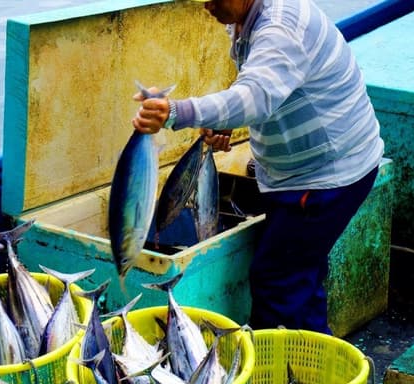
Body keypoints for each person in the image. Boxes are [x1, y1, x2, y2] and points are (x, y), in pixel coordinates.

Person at [131, 0, 384, 335]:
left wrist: (176, 113)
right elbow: (264, 84)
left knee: (277, 280)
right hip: (304, 171)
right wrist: (224, 122)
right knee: (301, 273)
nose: (205, 5)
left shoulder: (282, 25)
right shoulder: (245, 17)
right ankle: (313, 354)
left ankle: (281, 375)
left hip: (325, 177)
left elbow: (256, 96)